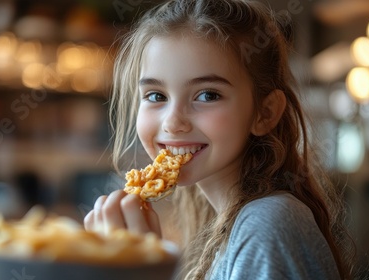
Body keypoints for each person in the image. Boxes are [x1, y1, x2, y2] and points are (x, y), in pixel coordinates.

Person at [84, 0, 355, 279]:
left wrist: (142, 271)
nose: (173, 122)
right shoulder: (227, 226)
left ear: (265, 112)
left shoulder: (267, 224)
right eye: (156, 96)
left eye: (207, 95)